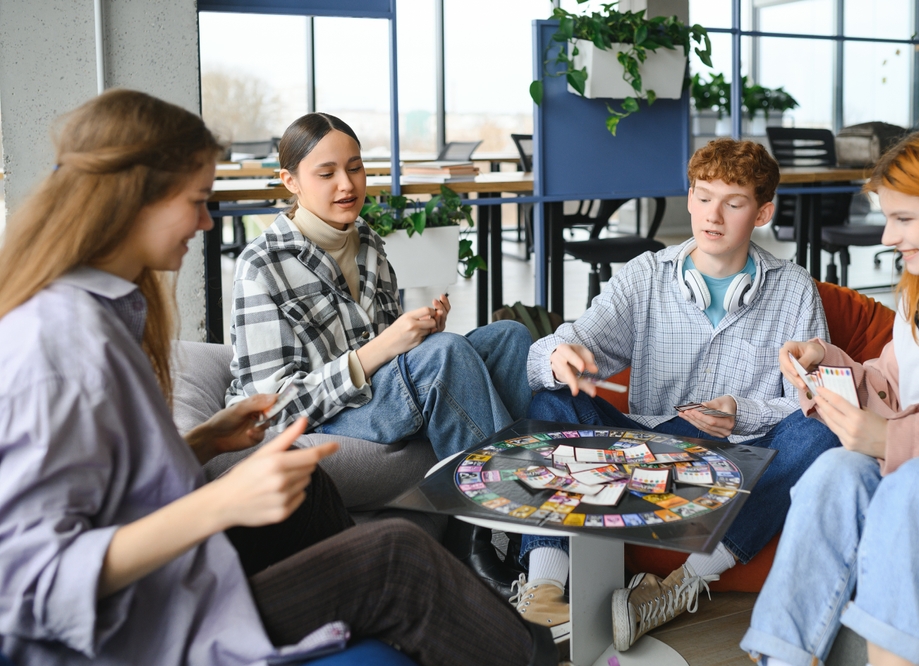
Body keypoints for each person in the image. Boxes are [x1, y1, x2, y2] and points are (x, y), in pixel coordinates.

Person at [0, 89, 556, 666]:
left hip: (191, 573)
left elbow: (115, 489)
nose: (207, 220)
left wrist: (204, 441)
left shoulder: (113, 314)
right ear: (132, 199)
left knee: (509, 338)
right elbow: (28, 585)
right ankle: (511, 569)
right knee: (397, 551)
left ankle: (487, 589)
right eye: (195, 200)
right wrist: (219, 503)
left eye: (355, 167)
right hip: (157, 619)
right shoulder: (56, 342)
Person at [511, 139, 841, 649]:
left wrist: (741, 412)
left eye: (733, 203)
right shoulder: (646, 276)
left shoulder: (794, 289)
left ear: (762, 212)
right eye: (704, 197)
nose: (713, 215)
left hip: (738, 463)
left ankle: (680, 584)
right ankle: (546, 587)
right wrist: (558, 355)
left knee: (822, 432)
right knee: (552, 401)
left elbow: (810, 400)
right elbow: (568, 345)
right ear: (688, 198)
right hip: (649, 454)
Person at [224, 112, 532, 595]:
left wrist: (421, 333)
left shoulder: (368, 241)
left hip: (375, 398)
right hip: (322, 417)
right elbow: (273, 409)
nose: (347, 185)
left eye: (356, 167)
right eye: (325, 174)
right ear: (291, 182)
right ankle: (514, 524)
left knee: (510, 336)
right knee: (444, 356)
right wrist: (389, 348)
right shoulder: (260, 265)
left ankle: (468, 529)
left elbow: (399, 359)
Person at [741, 124, 919, 666]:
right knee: (835, 470)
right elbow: (889, 385)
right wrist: (829, 365)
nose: (886, 237)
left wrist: (892, 439)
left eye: (904, 219)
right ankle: (780, 658)